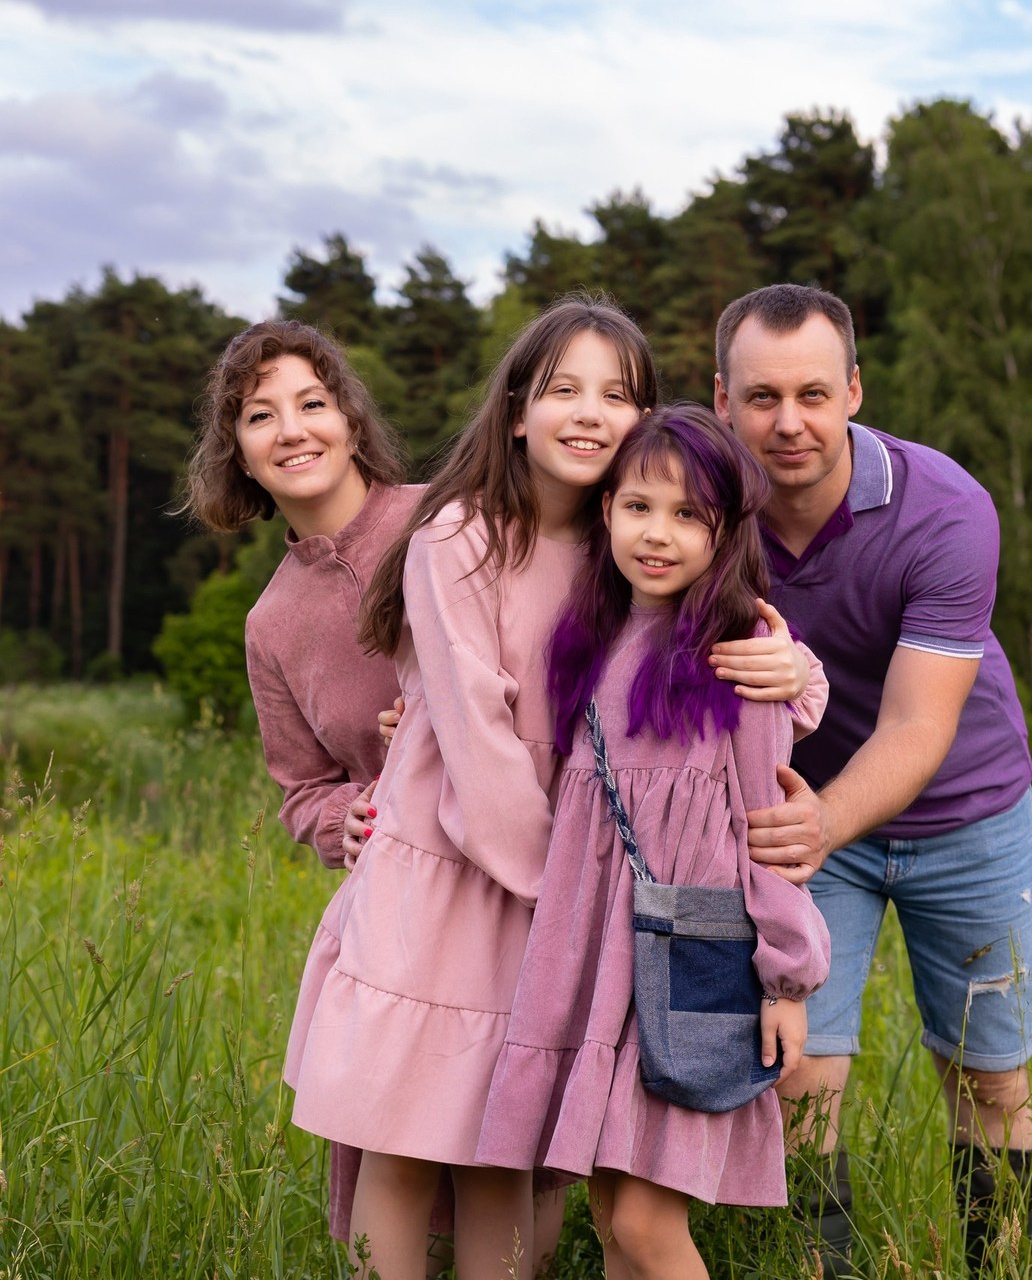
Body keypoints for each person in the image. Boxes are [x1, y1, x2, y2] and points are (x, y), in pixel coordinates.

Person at [283, 299, 822, 1280]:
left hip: (577, 890)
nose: (587, 411)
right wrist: (561, 891)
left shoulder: (630, 548)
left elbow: (728, 660)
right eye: (562, 387)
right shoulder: (461, 536)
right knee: (404, 1132)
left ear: (645, 422)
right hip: (461, 874)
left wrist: (800, 675)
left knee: (509, 1145)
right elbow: (479, 739)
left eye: (615, 393)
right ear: (517, 408)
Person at [711, 284, 1032, 1277]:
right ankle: (826, 1270)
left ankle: (1009, 1265)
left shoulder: (944, 509)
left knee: (986, 1077)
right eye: (760, 395)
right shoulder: (694, 507)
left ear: (852, 389)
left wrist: (820, 824)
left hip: (962, 809)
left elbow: (915, 723)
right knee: (799, 1075)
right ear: (719, 399)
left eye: (812, 392)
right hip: (802, 817)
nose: (788, 422)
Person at [478, 405, 830, 1280]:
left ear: (725, 532)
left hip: (688, 964)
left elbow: (766, 830)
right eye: (639, 507)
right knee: (609, 1215)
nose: (658, 535)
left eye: (687, 517)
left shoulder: (739, 652)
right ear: (606, 513)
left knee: (641, 1222)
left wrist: (786, 982)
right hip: (592, 961)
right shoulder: (587, 640)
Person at [182, 318, 435, 1252]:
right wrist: (349, 821)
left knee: (502, 1158)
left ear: (352, 422)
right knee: (388, 1150)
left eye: (312, 404)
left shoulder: (442, 518)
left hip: (513, 879)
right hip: (393, 914)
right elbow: (302, 789)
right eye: (260, 416)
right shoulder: (271, 624)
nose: (291, 430)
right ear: (238, 455)